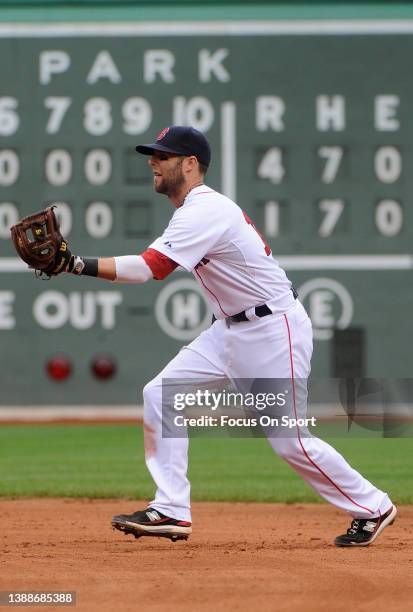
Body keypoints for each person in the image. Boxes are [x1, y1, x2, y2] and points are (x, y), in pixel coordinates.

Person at [63, 125, 396, 546]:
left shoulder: (206, 209)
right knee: (161, 394)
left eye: (163, 156)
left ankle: (373, 506)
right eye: (153, 155)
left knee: (289, 441)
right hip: (228, 332)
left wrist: (75, 264)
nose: (154, 162)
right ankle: (171, 509)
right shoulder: (190, 212)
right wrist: (74, 264)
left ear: (190, 164)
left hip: (273, 331)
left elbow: (151, 268)